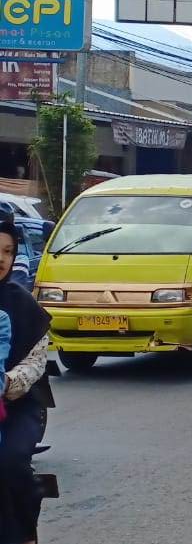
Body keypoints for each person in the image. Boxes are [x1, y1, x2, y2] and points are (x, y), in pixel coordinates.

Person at [0, 219, 53, 544]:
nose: (1, 259)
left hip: (17, 405)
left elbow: (36, 363)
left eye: (7, 251)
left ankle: (24, 532)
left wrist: (5, 384)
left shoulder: (22, 303)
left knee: (11, 462)